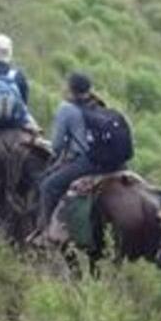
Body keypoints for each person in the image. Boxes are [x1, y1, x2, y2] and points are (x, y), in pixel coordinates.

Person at [36, 72, 121, 227]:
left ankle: (44, 232)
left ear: (70, 89)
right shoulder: (98, 103)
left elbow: (57, 146)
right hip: (115, 164)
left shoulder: (66, 109)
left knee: (48, 186)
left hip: (87, 162)